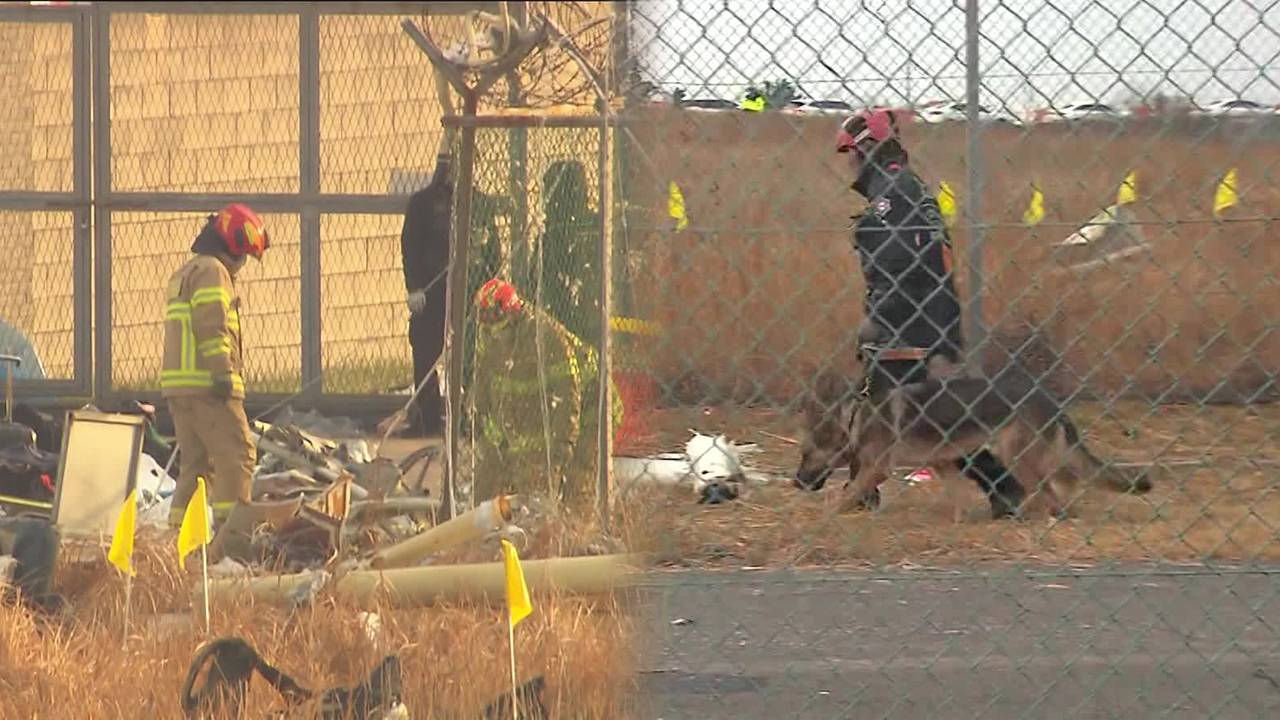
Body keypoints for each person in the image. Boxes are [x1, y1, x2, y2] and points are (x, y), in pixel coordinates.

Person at [835, 108, 1027, 519]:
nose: (849, 163)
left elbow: (902, 264)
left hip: (908, 324)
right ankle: (1003, 489)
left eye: (852, 152)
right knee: (920, 418)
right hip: (918, 319)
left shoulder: (894, 193)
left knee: (889, 414)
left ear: (868, 148)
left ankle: (861, 493)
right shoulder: (901, 187)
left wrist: (880, 322)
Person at [160, 203, 270, 529]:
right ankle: (231, 538)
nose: (243, 263)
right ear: (232, 245)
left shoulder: (187, 271)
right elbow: (212, 324)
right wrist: (223, 373)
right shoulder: (213, 272)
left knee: (196, 466)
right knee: (238, 458)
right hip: (209, 385)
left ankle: (182, 540)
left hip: (181, 389)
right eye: (245, 254)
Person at [468, 278, 622, 505]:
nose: (493, 333)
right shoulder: (488, 337)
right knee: (503, 476)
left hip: (594, 409)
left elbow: (567, 394)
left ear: (512, 317)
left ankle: (579, 529)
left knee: (576, 482)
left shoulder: (547, 338)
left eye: (496, 323)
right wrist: (478, 424)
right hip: (550, 409)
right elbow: (482, 380)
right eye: (486, 323)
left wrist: (563, 445)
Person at [399, 154, 453, 437]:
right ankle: (427, 417)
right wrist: (414, 287)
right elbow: (411, 246)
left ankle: (466, 418)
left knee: (469, 359)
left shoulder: (473, 204)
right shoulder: (423, 204)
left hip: (464, 294)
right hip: (431, 294)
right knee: (424, 351)